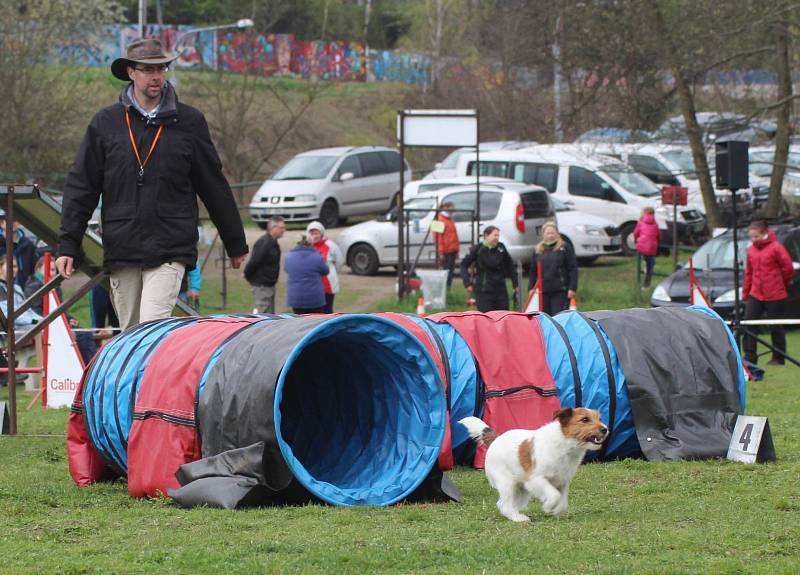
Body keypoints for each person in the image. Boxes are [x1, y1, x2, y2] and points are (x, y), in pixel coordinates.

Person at [56, 38, 248, 331]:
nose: (156, 76)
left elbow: (213, 184)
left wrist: (234, 242)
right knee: (130, 333)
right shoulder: (105, 123)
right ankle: (133, 379)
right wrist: (68, 244)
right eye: (148, 69)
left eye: (161, 68)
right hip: (123, 246)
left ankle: (149, 375)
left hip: (170, 244)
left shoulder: (189, 122)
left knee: (151, 326)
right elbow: (82, 186)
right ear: (131, 72)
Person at [743, 220, 796, 366]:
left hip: (775, 294)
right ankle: (749, 357)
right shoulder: (751, 250)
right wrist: (745, 293)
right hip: (756, 294)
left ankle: (778, 358)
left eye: (756, 236)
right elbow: (749, 273)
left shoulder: (776, 248)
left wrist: (780, 282)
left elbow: (788, 269)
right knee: (749, 323)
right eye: (751, 237)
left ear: (764, 233)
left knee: (775, 326)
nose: (753, 240)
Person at [460, 226, 519, 312]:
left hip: (500, 290)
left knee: (502, 317)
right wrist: (467, 283)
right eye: (495, 235)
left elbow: (510, 265)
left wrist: (515, 283)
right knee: (486, 319)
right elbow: (463, 264)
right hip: (483, 291)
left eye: (498, 236)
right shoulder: (478, 248)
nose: (497, 238)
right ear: (486, 235)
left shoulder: (501, 247)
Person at [527, 221, 578, 315]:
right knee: (545, 317)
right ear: (543, 234)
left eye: (552, 233)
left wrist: (572, 287)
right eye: (548, 233)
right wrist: (531, 288)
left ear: (557, 233)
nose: (550, 235)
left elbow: (573, 268)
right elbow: (533, 271)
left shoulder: (564, 247)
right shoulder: (538, 249)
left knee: (558, 317)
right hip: (543, 291)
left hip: (560, 290)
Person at [244, 216, 286, 314]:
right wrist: (247, 274)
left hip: (269, 285)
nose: (284, 230)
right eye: (282, 227)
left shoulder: (273, 242)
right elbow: (254, 262)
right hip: (262, 287)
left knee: (269, 317)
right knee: (263, 316)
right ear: (273, 228)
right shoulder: (264, 242)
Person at [284, 234, 329, 315]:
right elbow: (325, 271)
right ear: (311, 244)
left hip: (296, 298)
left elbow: (287, 269)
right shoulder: (317, 256)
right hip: (315, 298)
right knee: (315, 322)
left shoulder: (289, 256)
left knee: (300, 323)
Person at [306, 221, 343, 313]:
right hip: (312, 286)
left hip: (327, 285)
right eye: (311, 233)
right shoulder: (306, 246)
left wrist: (334, 272)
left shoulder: (330, 245)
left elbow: (339, 260)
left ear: (321, 233)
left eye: (316, 233)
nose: (314, 236)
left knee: (327, 311)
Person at [0, 218, 37, 288]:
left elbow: (34, 269)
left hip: (25, 290)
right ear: (1, 223)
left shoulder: (28, 245)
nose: (12, 223)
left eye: (15, 220)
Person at [432, 202, 460, 288]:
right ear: (446, 208)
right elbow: (437, 238)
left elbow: (454, 235)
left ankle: (448, 288)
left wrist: (457, 249)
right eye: (451, 208)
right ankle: (445, 289)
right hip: (445, 251)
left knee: (450, 271)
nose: (453, 211)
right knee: (446, 272)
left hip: (452, 250)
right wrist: (440, 252)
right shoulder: (438, 219)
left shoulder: (449, 219)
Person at [633, 206, 661, 288]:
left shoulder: (640, 223)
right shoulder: (655, 224)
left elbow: (635, 233)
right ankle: (647, 283)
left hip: (642, 246)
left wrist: (636, 240)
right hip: (652, 247)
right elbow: (659, 236)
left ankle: (644, 265)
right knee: (651, 264)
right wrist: (657, 243)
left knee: (644, 257)